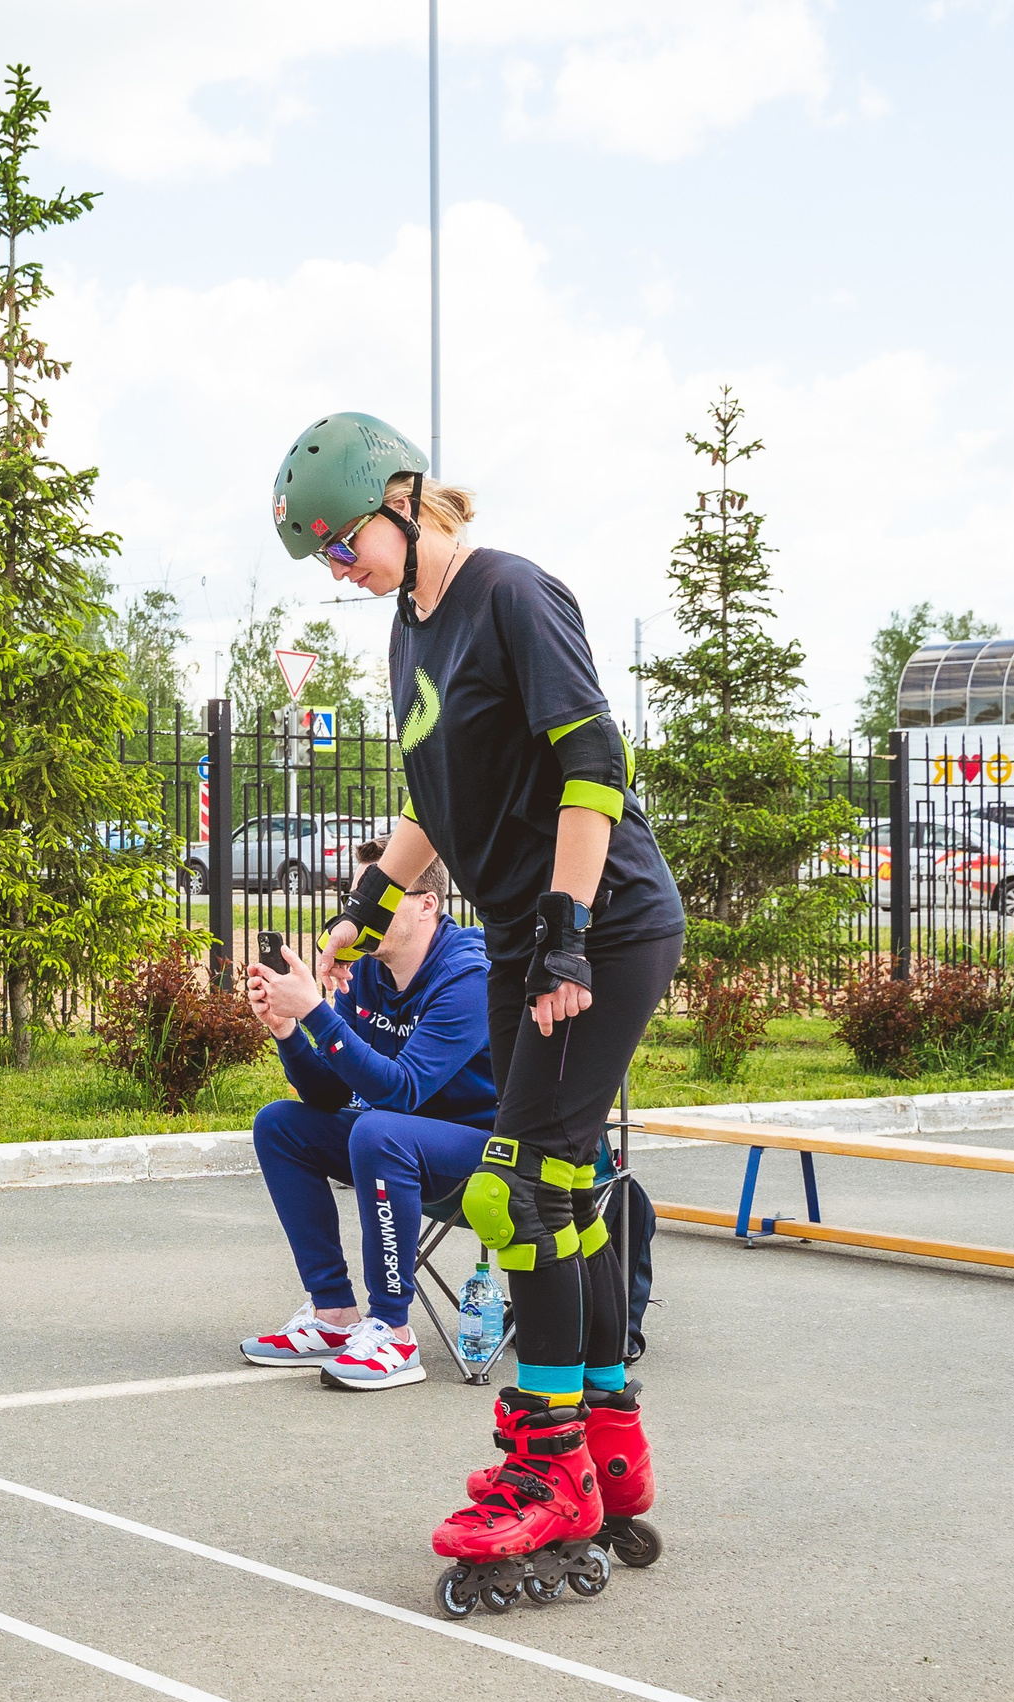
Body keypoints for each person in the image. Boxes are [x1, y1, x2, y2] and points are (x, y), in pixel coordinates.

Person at [273, 413, 687, 1595]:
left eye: (341, 540)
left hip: (598, 925)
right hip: (521, 935)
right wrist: (362, 903)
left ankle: (550, 1463)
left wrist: (563, 933)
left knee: (517, 1191)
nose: (336, 567)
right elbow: (437, 807)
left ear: (404, 501)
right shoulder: (410, 637)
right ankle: (607, 1438)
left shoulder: (510, 592)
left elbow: (589, 757)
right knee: (564, 1185)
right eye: (321, 555)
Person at [238, 838, 495, 1392]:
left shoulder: (468, 975)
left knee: (381, 1129)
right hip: (400, 1144)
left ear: (427, 903)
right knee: (280, 1125)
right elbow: (329, 1094)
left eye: (376, 896)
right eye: (356, 897)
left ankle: (394, 1333)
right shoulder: (368, 973)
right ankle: (333, 1315)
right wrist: (287, 1029)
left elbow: (400, 1092)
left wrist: (314, 1012)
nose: (357, 914)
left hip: (487, 1149)